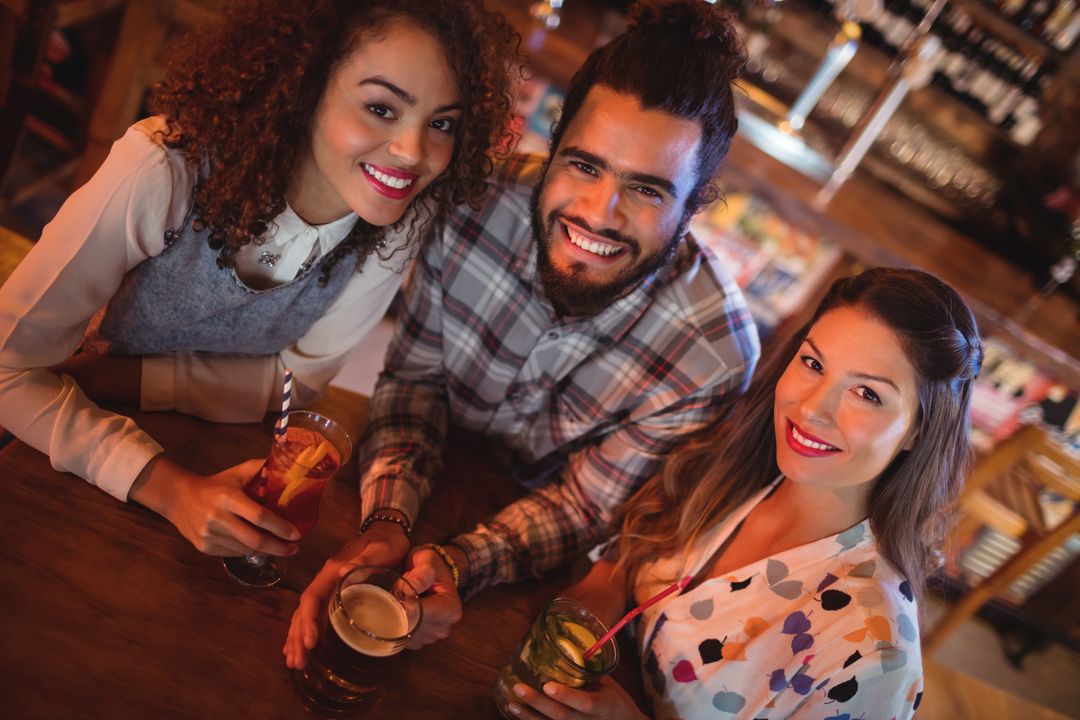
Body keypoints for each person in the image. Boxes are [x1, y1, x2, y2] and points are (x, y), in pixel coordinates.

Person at [286, 0, 761, 669]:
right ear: (551, 145)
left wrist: (458, 564)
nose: (598, 214)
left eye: (648, 191)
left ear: (695, 205)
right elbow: (415, 382)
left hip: (533, 558)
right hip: (407, 468)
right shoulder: (470, 202)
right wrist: (387, 521)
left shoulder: (711, 355)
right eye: (585, 166)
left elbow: (584, 504)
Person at [0, 0, 517, 557]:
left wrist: (113, 377)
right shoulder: (164, 171)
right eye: (381, 108)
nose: (415, 153)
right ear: (304, 84)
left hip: (185, 444)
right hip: (52, 440)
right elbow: (9, 372)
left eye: (442, 123)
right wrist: (170, 489)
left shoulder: (396, 221)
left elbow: (298, 381)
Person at [508, 268, 983, 720]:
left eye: (868, 394)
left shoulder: (871, 655)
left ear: (919, 432)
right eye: (813, 363)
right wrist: (599, 594)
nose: (813, 408)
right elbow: (630, 552)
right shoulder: (734, 464)